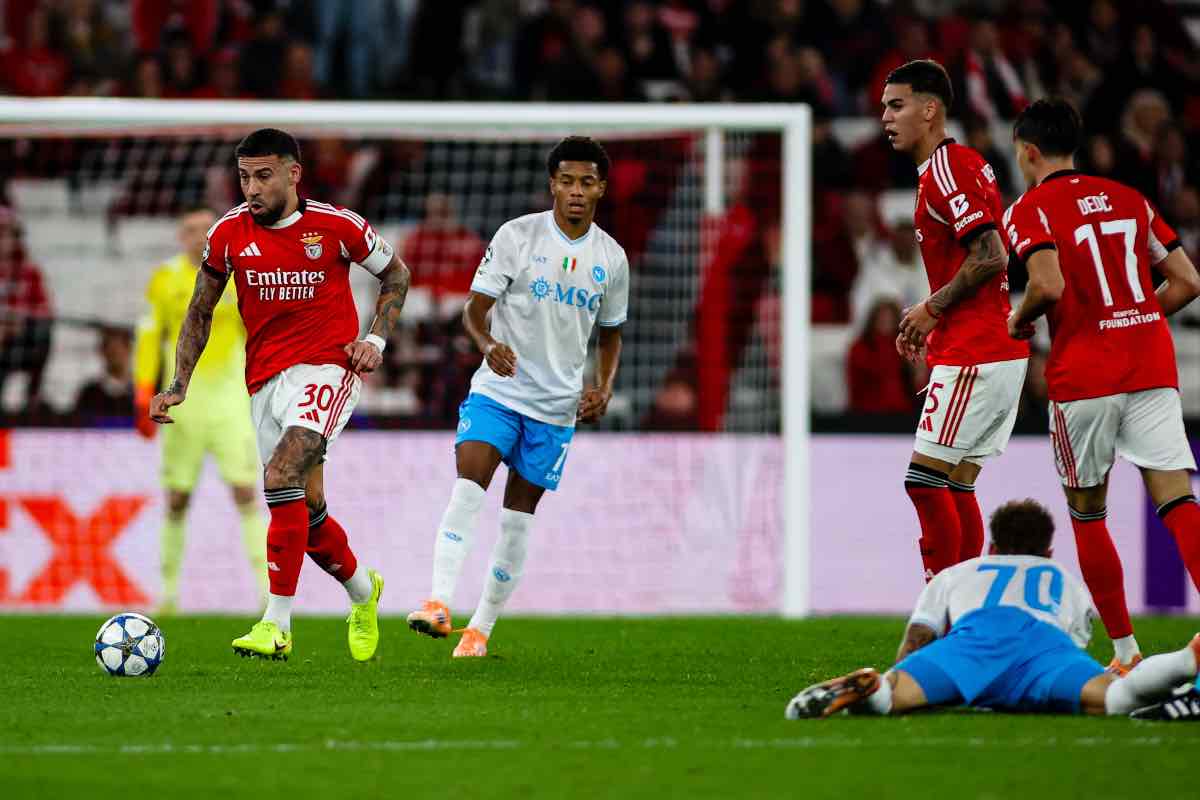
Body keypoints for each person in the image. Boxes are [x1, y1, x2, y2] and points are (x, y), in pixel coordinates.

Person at [150, 128, 411, 662]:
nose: (252, 188)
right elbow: (199, 310)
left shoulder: (337, 226)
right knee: (306, 511)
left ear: (294, 173)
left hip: (329, 369)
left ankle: (277, 624)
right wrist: (178, 383)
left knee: (280, 475)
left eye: (263, 175)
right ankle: (364, 593)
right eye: (244, 176)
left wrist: (376, 339)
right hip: (263, 380)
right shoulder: (227, 234)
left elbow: (396, 274)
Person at [405, 136, 628, 657]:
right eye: (567, 181)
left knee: (516, 519)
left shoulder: (611, 259)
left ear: (601, 189)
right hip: (499, 391)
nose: (576, 191)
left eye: (587, 182)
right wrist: (488, 345)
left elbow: (612, 330)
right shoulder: (517, 236)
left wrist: (606, 384)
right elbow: (473, 309)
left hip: (555, 409)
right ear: (553, 183)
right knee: (468, 486)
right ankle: (437, 602)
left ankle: (480, 630)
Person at [1004, 98, 1200, 673]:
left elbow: (1047, 285)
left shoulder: (1028, 209)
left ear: (1028, 150)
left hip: (1084, 376)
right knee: (1179, 501)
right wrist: (1136, 315)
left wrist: (1019, 322)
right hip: (1149, 365)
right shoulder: (1129, 198)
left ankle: (1125, 654)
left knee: (1089, 511)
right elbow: (1187, 281)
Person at [786, 499, 1200, 719]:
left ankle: (871, 687)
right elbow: (1070, 647)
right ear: (1048, 551)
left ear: (993, 547)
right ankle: (1188, 658)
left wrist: (909, 675)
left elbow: (918, 639)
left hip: (973, 643)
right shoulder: (1063, 578)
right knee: (1117, 698)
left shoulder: (962, 571)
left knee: (893, 699)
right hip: (1042, 649)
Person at [882, 59, 1029, 582]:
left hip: (978, 350)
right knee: (955, 483)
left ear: (930, 109)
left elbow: (991, 254)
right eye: (882, 107)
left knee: (924, 482)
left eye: (896, 105)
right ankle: (965, 617)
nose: (885, 117)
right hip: (989, 349)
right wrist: (928, 318)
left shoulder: (948, 168)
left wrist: (932, 308)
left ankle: (941, 613)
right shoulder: (953, 169)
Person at [133, 206, 267, 615]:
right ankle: (169, 595)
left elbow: (259, 331)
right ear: (180, 235)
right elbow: (150, 334)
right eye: (190, 229)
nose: (197, 236)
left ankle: (267, 593)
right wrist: (143, 393)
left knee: (247, 493)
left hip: (231, 404)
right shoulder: (165, 279)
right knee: (176, 498)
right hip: (182, 405)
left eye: (204, 230)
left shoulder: (239, 272)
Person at [75, 325, 134, 418]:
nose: (115, 356)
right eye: (111, 351)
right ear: (102, 351)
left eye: (118, 350)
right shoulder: (89, 394)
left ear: (129, 350)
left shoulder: (139, 393)